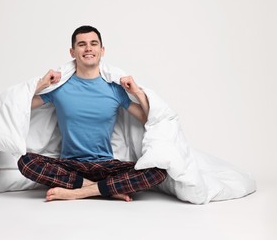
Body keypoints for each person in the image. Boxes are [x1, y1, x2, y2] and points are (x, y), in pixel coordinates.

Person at [18, 25, 167, 202]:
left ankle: (80, 192)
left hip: (106, 166)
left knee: (158, 170)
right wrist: (41, 84)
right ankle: (106, 190)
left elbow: (149, 120)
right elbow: (19, 107)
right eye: (82, 44)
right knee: (25, 161)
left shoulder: (115, 89)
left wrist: (138, 93)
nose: (88, 48)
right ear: (72, 52)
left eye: (93, 43)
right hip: (70, 166)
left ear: (102, 50)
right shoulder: (59, 88)